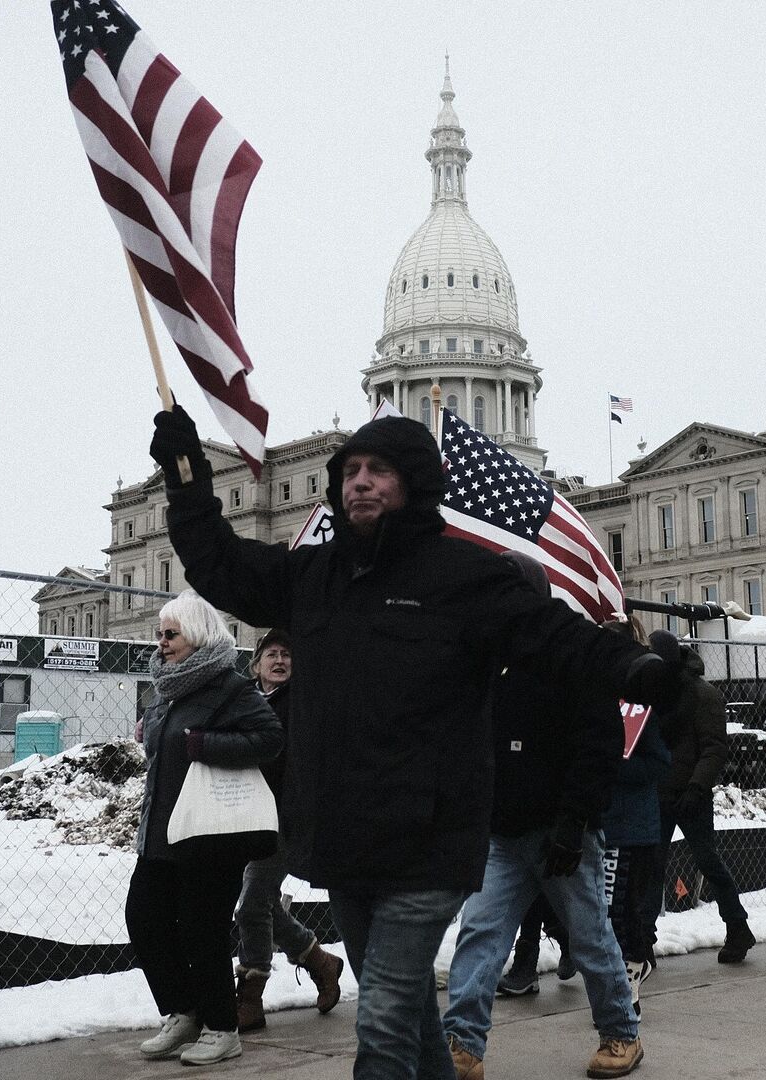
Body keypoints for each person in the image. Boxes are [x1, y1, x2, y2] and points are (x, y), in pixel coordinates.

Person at [148, 405, 676, 1080]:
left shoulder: (462, 575)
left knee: (384, 1023)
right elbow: (219, 566)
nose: (360, 483)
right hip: (345, 839)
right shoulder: (314, 576)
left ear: (416, 482)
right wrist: (187, 477)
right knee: (407, 1016)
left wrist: (634, 667)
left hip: (430, 840)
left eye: (380, 470)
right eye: (351, 471)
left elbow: (553, 633)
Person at [444, 554, 642, 1080]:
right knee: (480, 934)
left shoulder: (573, 654)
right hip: (501, 833)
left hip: (563, 832)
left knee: (589, 936)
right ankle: (462, 1044)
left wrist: (573, 823)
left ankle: (621, 1032)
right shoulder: (484, 660)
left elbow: (599, 746)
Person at [128, 591, 283, 1065]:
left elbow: (270, 739)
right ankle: (183, 1011)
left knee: (202, 929)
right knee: (145, 917)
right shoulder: (168, 688)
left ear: (197, 636)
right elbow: (163, 745)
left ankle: (221, 1026)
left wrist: (203, 743)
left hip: (212, 832)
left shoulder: (230, 687)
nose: (162, 643)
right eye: (160, 634)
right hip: (162, 829)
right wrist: (152, 730)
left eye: (171, 634)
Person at [234, 628, 346, 1032]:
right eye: (271, 654)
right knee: (257, 901)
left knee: (251, 904)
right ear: (256, 662)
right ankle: (321, 961)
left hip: (284, 818)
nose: (279, 661)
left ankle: (250, 997)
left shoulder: (301, 702)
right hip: (239, 814)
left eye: (287, 654)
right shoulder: (241, 696)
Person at [648, 630, 755, 964]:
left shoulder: (702, 694)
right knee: (650, 867)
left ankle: (737, 926)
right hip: (658, 791)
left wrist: (696, 787)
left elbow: (714, 747)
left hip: (688, 792)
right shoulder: (652, 691)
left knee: (707, 861)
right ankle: (641, 938)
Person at [602, 616, 672, 1023]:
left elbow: (658, 762)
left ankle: (628, 983)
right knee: (604, 912)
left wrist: (613, 766)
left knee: (620, 911)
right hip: (600, 824)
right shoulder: (597, 701)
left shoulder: (640, 708)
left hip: (629, 828)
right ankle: (620, 981)